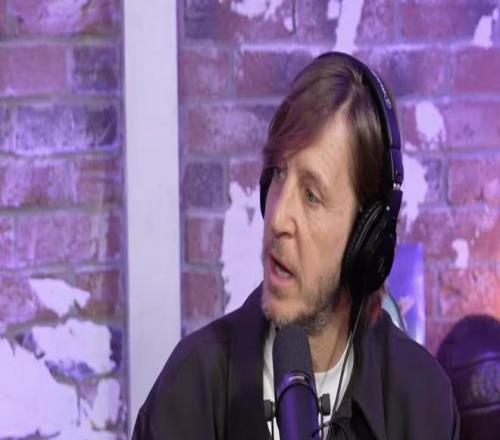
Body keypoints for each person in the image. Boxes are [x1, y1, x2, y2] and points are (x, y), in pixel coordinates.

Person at [132, 52, 459, 439]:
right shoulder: (190, 388)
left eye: (311, 195)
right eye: (278, 173)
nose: (278, 219)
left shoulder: (422, 401)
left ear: (366, 236)